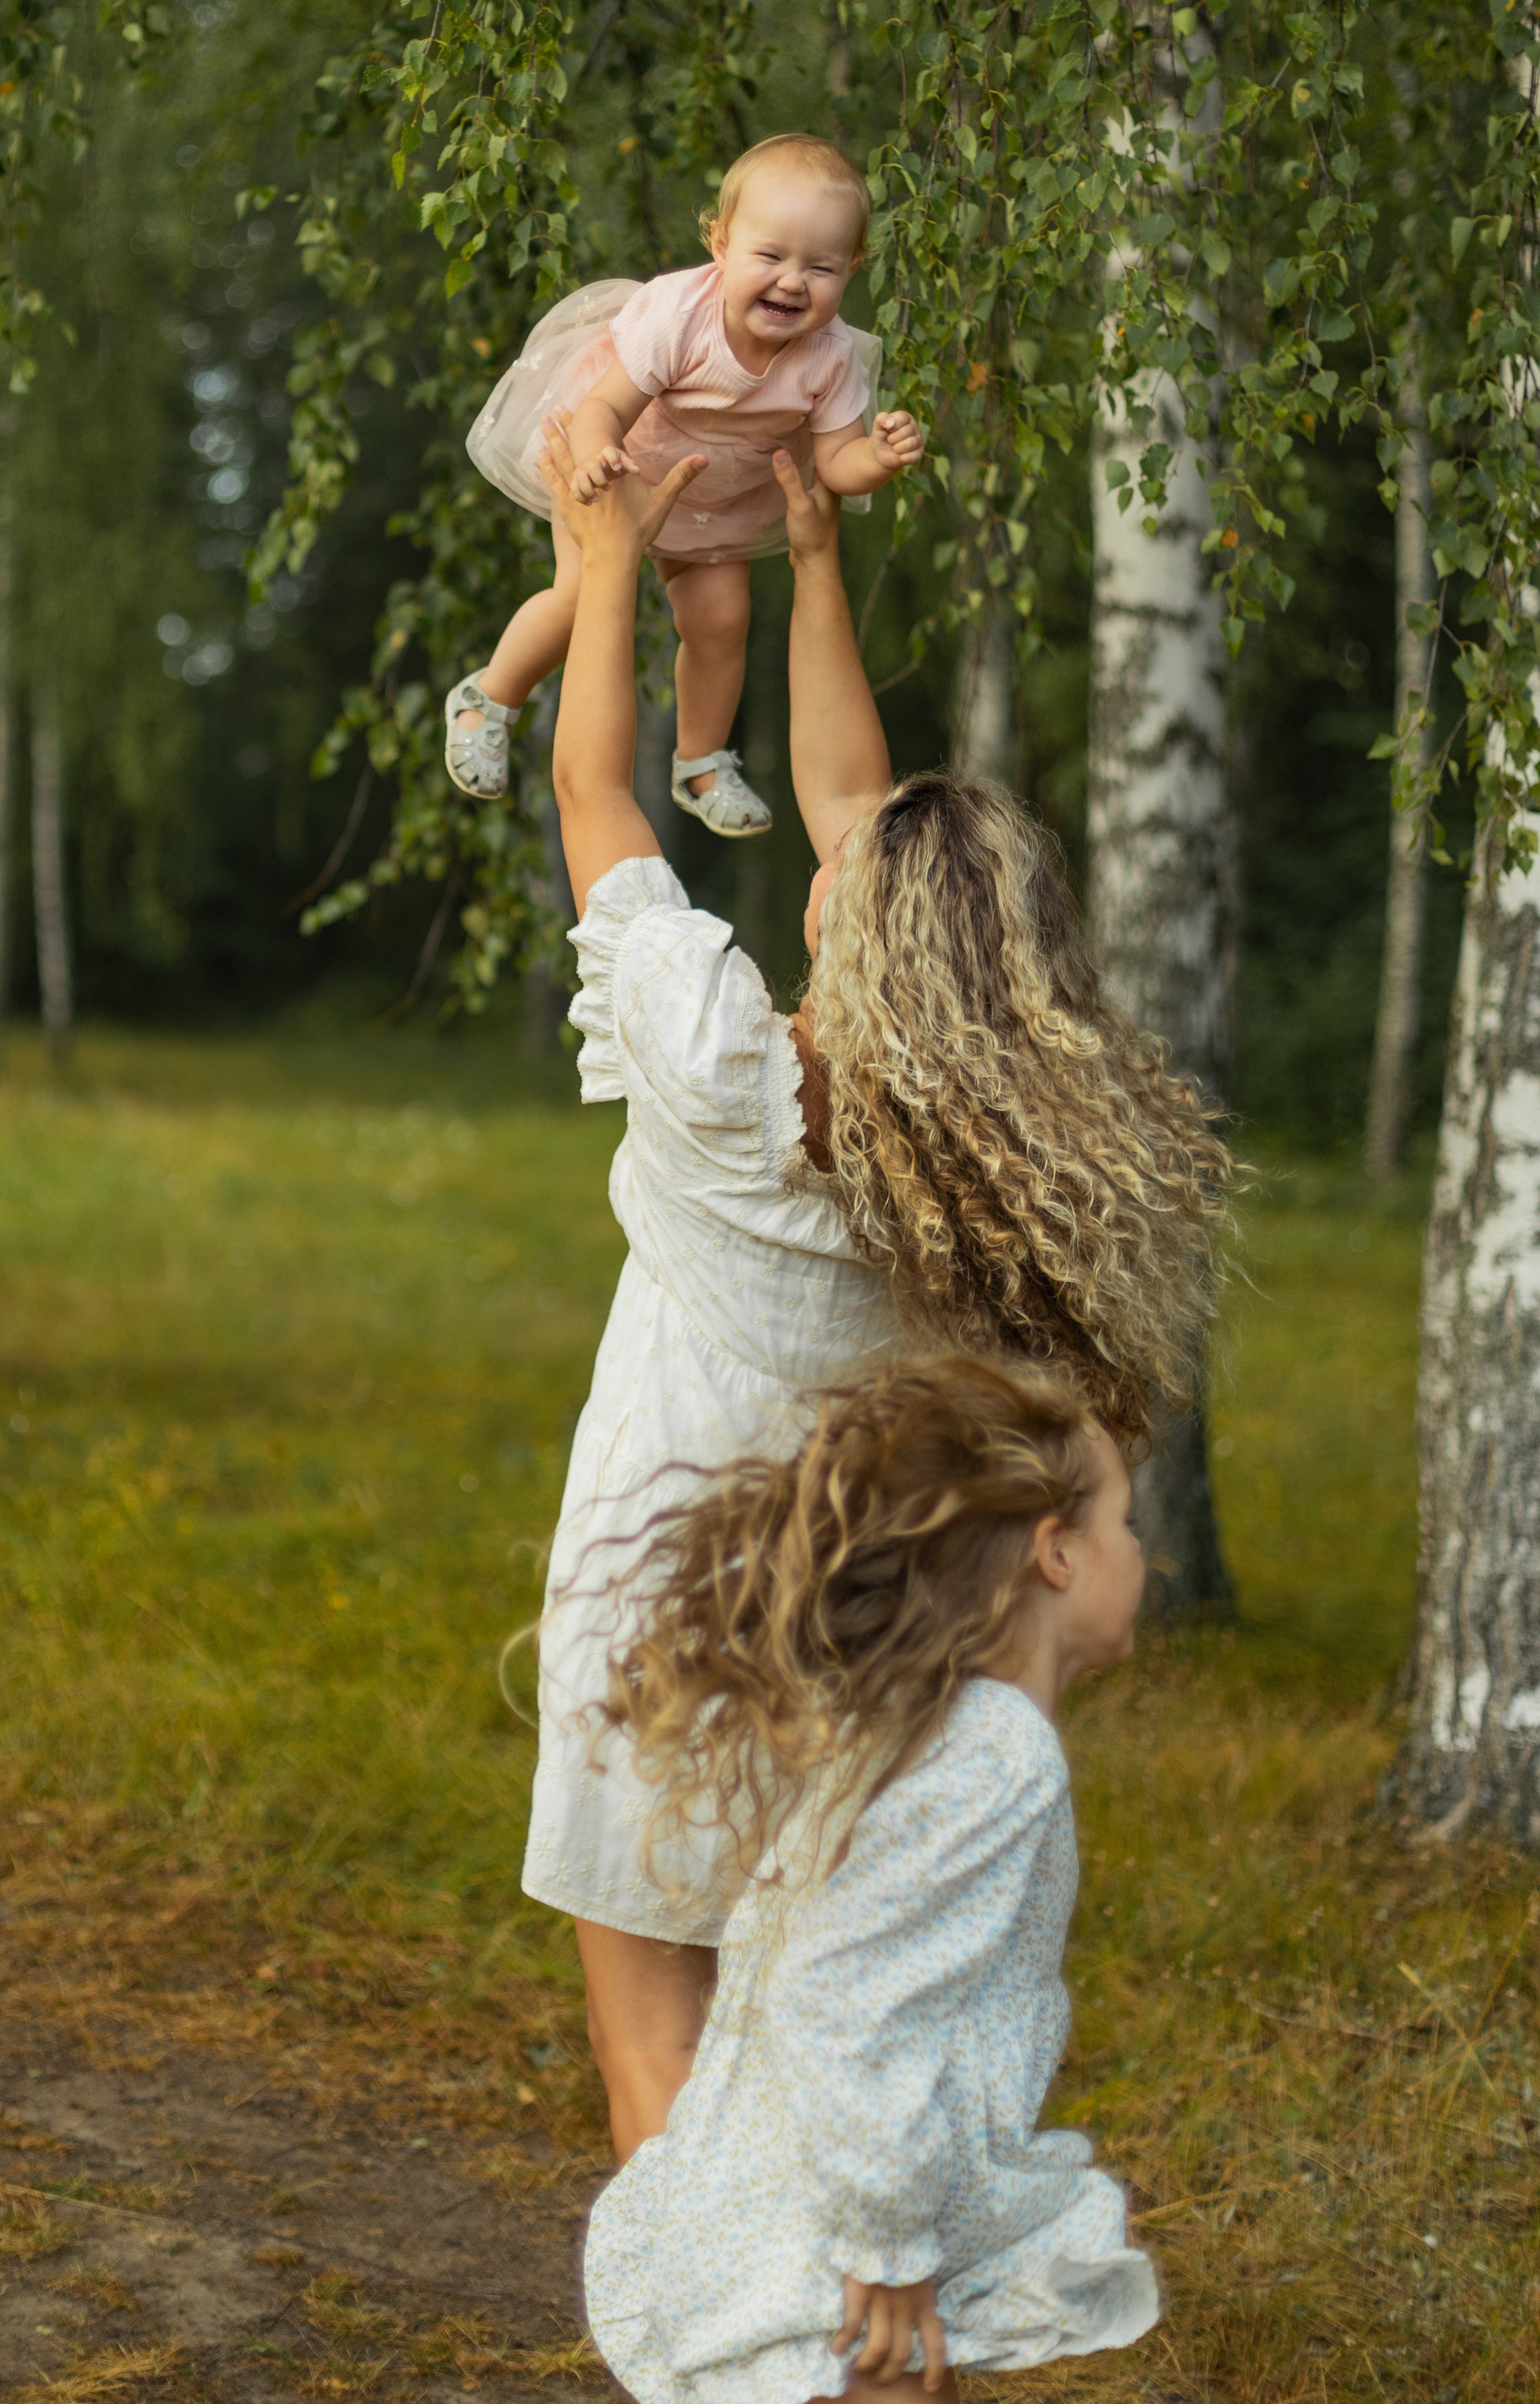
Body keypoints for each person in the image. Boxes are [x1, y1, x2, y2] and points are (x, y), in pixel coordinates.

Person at [523, 415, 1231, 2163]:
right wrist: (813, 560)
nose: (823, 856)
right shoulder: (988, 1175)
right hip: (869, 1635)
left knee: (654, 2042)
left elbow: (596, 796)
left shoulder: (717, 1085)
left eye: (836, 882)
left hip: (659, 1613)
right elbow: (862, 813)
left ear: (851, 945)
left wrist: (605, 564)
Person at [584, 1352, 1161, 2404]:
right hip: (830, 2232)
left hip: (813, 2188)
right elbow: (840, 1997)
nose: (1142, 1555)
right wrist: (886, 2244)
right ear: (1057, 1555)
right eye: (1126, 1525)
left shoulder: (927, 1725)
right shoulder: (997, 1755)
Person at [446, 132, 924, 834]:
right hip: (623, 467)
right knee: (581, 596)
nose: (793, 281)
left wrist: (878, 459)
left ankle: (700, 764)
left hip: (719, 499)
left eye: (820, 267)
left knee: (722, 621)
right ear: (721, 245)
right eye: (769, 256)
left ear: (852, 268)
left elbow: (835, 462)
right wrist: (595, 457)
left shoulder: (831, 357)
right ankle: (488, 697)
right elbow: (603, 407)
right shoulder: (679, 317)